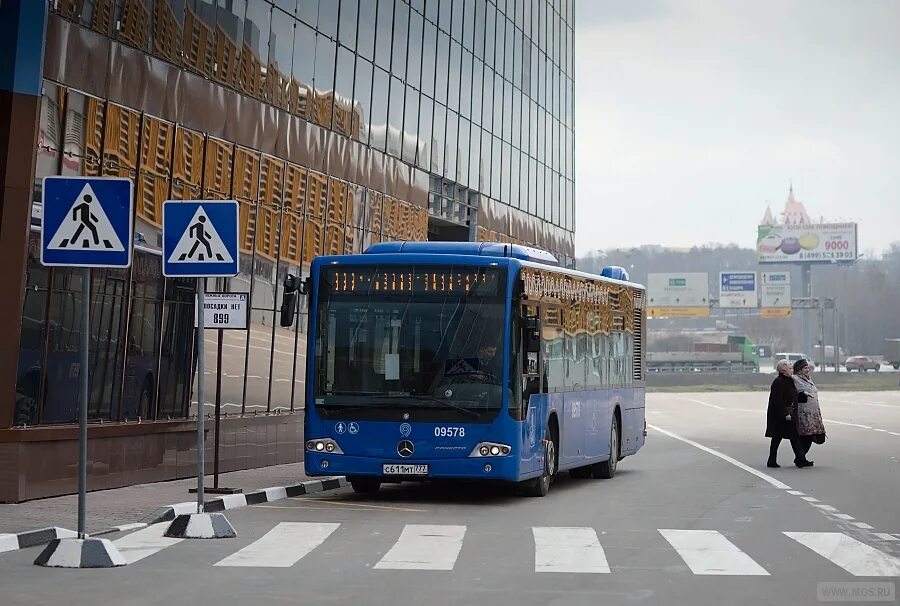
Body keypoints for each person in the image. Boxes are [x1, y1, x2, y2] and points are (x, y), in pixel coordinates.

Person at [766, 359, 813, 468]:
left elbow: (793, 396)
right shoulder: (778, 382)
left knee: (793, 437)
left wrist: (804, 394)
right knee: (777, 438)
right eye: (789, 366)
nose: (792, 368)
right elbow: (777, 400)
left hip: (789, 414)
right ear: (783, 369)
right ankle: (772, 460)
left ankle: (801, 459)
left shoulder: (790, 380)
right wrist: (785, 413)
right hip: (780, 415)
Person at [791, 358, 826, 453]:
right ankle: (800, 457)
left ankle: (801, 457)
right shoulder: (795, 379)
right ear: (799, 369)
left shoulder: (808, 379)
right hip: (804, 414)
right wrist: (803, 393)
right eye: (805, 368)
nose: (808, 370)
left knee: (810, 436)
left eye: (808, 368)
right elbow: (793, 393)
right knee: (806, 436)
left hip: (813, 413)